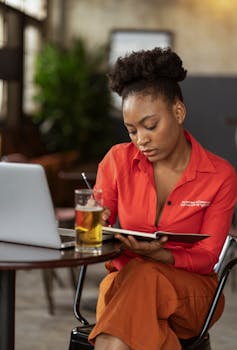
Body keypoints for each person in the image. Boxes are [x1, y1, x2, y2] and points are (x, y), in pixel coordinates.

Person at [88, 47, 237, 350]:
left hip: (190, 294)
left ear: (179, 112)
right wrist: (97, 225)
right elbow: (93, 236)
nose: (141, 139)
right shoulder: (117, 161)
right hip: (125, 282)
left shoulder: (220, 175)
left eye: (150, 126)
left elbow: (210, 256)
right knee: (136, 320)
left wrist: (162, 257)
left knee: (139, 281)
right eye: (131, 130)